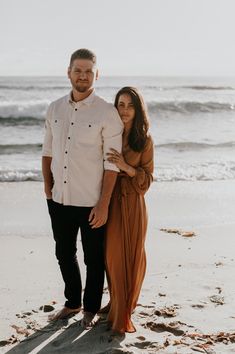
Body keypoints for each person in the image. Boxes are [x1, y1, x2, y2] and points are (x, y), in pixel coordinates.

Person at [42, 48, 123, 328]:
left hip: (92, 201)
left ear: (96, 74)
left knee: (93, 258)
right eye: (78, 70)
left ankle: (90, 308)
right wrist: (47, 189)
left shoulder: (107, 113)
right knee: (63, 253)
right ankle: (72, 302)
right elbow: (47, 152)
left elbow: (112, 164)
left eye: (89, 71)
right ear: (68, 72)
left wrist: (103, 204)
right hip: (59, 199)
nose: (83, 76)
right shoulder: (54, 108)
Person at [105, 86, 154, 334]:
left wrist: (125, 166)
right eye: (120, 104)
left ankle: (123, 310)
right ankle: (116, 302)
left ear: (138, 109)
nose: (124, 110)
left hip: (133, 201)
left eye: (130, 105)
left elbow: (148, 179)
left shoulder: (144, 140)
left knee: (132, 254)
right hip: (109, 200)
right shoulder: (108, 133)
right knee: (112, 256)